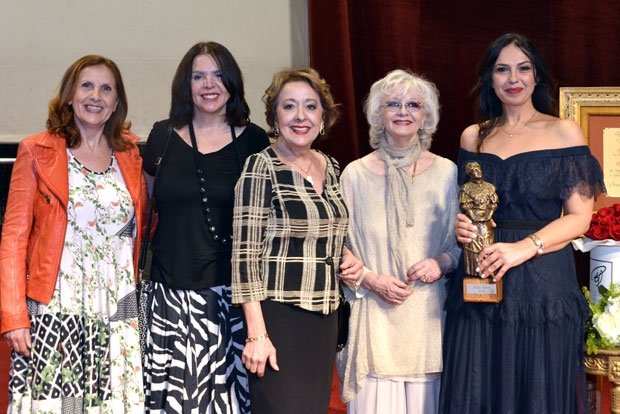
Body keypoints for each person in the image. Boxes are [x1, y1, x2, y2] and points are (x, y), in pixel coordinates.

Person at [439, 33, 605, 414]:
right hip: (481, 280)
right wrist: (461, 227)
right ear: (490, 78)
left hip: (542, 282)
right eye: (502, 69)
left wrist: (523, 248)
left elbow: (580, 218)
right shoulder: (473, 137)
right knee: (479, 389)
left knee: (538, 394)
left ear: (537, 76)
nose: (513, 79)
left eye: (523, 68)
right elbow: (468, 207)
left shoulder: (563, 131)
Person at [0, 55, 147, 412]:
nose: (96, 96)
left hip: (116, 311)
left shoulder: (131, 155)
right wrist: (14, 316)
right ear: (69, 95)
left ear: (117, 102)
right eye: (86, 86)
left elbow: (143, 229)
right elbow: (13, 239)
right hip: (55, 307)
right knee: (59, 405)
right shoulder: (36, 150)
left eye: (106, 88)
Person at [141, 41, 269, 413]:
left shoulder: (256, 141)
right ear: (186, 85)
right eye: (198, 76)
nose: (209, 85)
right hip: (168, 294)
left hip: (233, 300)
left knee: (231, 402)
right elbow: (145, 206)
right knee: (171, 402)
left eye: (218, 75)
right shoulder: (162, 136)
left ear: (232, 82)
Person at [231, 67, 363, 414]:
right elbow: (244, 256)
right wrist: (257, 334)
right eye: (289, 106)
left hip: (325, 319)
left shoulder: (331, 166)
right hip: (278, 319)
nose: (300, 116)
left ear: (324, 117)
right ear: (275, 117)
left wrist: (346, 254)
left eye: (310, 106)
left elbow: (325, 230)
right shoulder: (261, 166)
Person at [335, 69, 461, 413]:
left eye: (413, 105)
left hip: (428, 324)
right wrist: (371, 280)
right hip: (373, 324)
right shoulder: (354, 174)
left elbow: (463, 245)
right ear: (378, 114)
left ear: (425, 116)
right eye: (393, 104)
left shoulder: (447, 172)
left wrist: (441, 263)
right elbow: (336, 248)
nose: (403, 111)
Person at [459, 162, 498, 276]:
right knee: (472, 245)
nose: (477, 171)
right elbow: (465, 205)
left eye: (478, 168)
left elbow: (493, 204)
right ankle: (474, 270)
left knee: (487, 244)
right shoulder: (466, 188)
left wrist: (488, 215)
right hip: (473, 221)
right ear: (470, 174)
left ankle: (488, 270)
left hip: (486, 220)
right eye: (474, 170)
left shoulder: (489, 187)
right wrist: (474, 216)